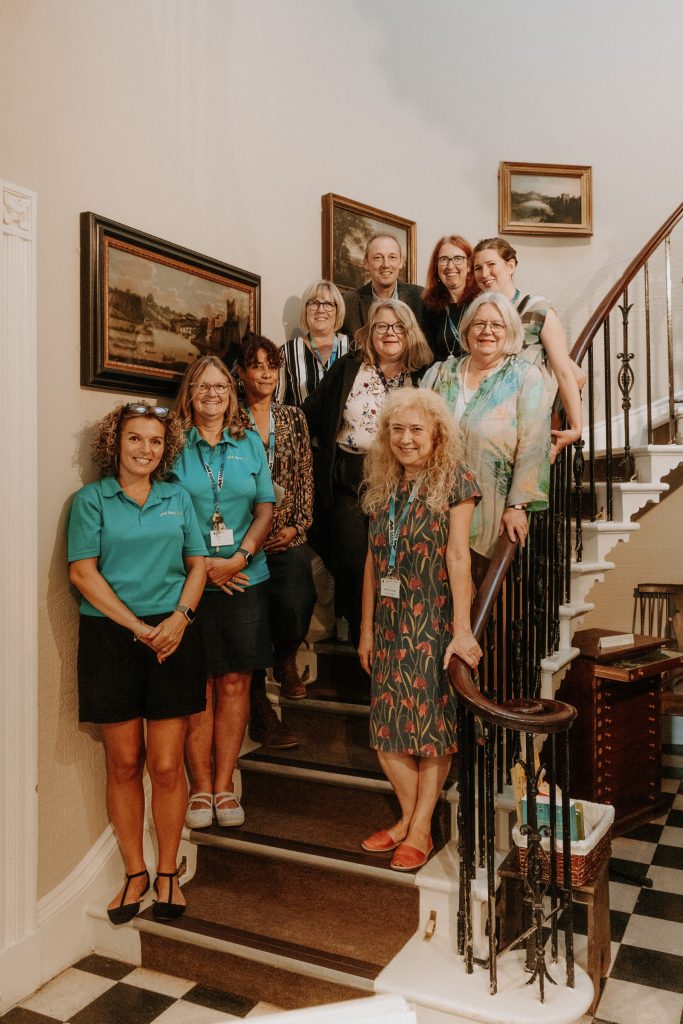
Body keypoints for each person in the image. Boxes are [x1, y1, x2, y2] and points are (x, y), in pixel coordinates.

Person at [67, 401, 208, 923]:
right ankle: (135, 872)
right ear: (116, 443)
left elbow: (198, 563)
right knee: (123, 763)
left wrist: (180, 619)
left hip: (174, 636)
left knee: (167, 765)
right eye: (134, 439)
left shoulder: (178, 496)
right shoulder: (91, 500)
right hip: (111, 639)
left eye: (154, 441)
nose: (145, 449)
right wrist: (138, 628)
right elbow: (83, 574)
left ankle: (169, 870)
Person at [358, 389, 482, 870]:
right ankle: (412, 821)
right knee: (387, 732)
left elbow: (457, 555)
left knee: (431, 730)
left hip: (433, 620)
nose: (406, 440)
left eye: (416, 430)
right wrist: (366, 629)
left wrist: (463, 630)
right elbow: (371, 562)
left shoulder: (455, 480)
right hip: (389, 625)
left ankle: (420, 828)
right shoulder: (381, 486)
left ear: (436, 435)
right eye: (397, 429)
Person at [171, 356, 275, 830]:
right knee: (199, 684)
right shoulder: (172, 445)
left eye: (220, 387)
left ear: (231, 394)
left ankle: (226, 783)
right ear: (189, 394)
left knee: (235, 681)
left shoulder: (249, 441)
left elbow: (265, 508)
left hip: (243, 578)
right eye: (203, 387)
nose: (212, 394)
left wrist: (241, 558)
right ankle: (200, 787)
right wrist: (204, 564)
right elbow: (160, 508)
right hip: (189, 578)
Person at [304, 299, 433, 648]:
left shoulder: (423, 374)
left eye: (397, 327)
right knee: (352, 558)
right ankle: (362, 630)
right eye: (381, 326)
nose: (389, 333)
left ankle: (396, 634)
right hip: (350, 477)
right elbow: (309, 414)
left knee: (399, 558)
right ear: (369, 333)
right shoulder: (349, 367)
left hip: (403, 480)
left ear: (409, 332)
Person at [421, 292, 551, 576]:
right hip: (434, 511)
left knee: (482, 600)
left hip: (490, 513)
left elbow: (533, 445)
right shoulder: (440, 373)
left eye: (497, 325)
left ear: (510, 332)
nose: (487, 331)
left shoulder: (525, 377)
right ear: (467, 330)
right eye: (479, 324)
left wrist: (518, 505)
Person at [236, 335, 316, 747]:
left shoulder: (293, 418)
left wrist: (297, 528)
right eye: (257, 365)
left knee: (298, 599)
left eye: (272, 365)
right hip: (241, 539)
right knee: (247, 623)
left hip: (285, 535)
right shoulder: (230, 420)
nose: (266, 373)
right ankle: (259, 709)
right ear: (241, 372)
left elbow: (304, 478)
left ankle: (285, 656)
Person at [472, 237, 583, 459]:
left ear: (510, 265)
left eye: (491, 265)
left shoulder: (539, 311)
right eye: (478, 268)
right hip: (486, 424)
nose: (484, 274)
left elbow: (564, 371)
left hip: (527, 423)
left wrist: (576, 427)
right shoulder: (477, 313)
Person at [277, 280, 351, 407]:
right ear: (305, 310)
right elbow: (279, 403)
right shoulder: (287, 352)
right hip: (303, 426)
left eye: (328, 304)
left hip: (344, 427)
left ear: (338, 311)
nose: (321, 310)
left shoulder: (353, 349)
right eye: (314, 303)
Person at [342, 234, 425, 341]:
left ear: (401, 262)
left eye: (392, 257)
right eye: (378, 258)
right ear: (366, 263)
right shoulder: (348, 303)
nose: (386, 264)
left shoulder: (421, 299)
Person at [422, 235, 479, 362]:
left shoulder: (481, 303)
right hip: (442, 378)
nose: (450, 265)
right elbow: (428, 355)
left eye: (458, 258)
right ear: (436, 267)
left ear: (469, 265)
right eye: (443, 259)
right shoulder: (429, 306)